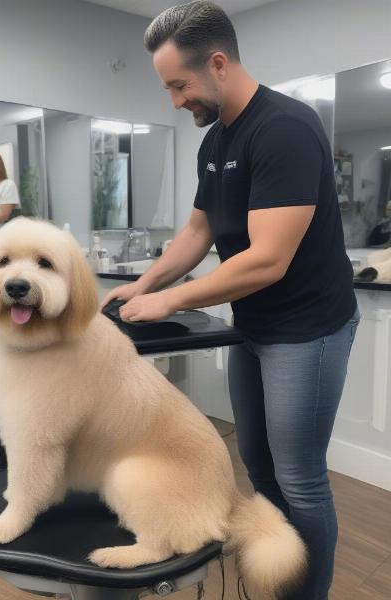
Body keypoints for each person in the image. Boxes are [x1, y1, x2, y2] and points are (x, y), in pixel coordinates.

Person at [101, 2, 359, 599]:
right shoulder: (215, 139)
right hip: (257, 327)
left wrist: (170, 304)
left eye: (178, 85)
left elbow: (269, 258)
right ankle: (275, 578)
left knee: (299, 479)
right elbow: (198, 233)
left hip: (309, 330)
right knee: (259, 468)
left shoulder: (285, 129)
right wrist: (145, 285)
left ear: (218, 64)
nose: (174, 101)